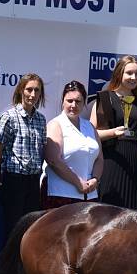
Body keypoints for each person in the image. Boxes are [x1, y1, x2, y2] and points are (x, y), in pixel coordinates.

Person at [89, 56, 137, 210]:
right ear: (119, 74)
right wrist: (113, 133)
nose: (133, 78)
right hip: (112, 161)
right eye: (129, 73)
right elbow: (91, 135)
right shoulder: (104, 99)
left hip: (136, 162)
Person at [0, 73, 47, 239]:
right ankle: (10, 265)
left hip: (33, 181)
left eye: (36, 90)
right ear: (21, 90)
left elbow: (42, 151)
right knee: (12, 231)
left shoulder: (41, 119)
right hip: (13, 180)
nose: (32, 94)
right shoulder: (9, 117)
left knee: (30, 231)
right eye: (29, 89)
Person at [43, 81, 103, 209]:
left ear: (84, 103)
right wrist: (78, 182)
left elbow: (99, 158)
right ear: (63, 102)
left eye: (78, 101)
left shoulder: (90, 126)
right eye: (69, 101)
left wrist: (96, 180)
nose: (73, 105)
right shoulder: (55, 124)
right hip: (60, 194)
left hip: (89, 196)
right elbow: (53, 160)